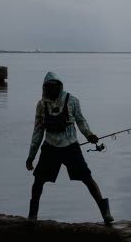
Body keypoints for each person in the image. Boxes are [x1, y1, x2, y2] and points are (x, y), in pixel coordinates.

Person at [26, 71, 113, 224]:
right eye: (48, 87)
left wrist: (89, 135)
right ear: (44, 88)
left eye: (54, 87)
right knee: (38, 181)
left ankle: (105, 212)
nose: (51, 90)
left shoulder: (72, 101)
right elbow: (38, 131)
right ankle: (32, 216)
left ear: (60, 86)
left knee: (87, 178)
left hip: (71, 147)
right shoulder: (41, 105)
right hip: (49, 148)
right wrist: (31, 156)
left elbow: (81, 121)